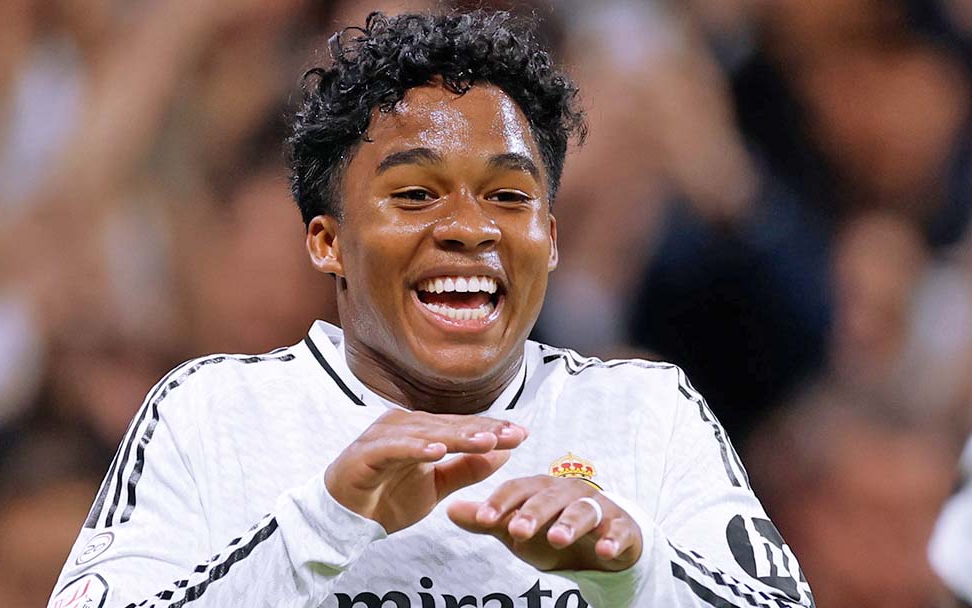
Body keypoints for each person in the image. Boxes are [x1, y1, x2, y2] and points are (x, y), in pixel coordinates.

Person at [48, 11, 813, 608]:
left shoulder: (644, 411)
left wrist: (635, 570)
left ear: (550, 239)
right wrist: (322, 525)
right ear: (327, 241)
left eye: (508, 197)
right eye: (415, 194)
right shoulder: (213, 412)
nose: (471, 229)